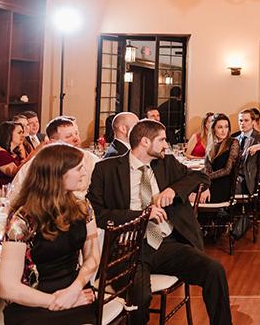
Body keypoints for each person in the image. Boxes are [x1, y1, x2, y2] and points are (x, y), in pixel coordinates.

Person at [87, 119, 230, 325]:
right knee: (140, 297)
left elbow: (201, 178)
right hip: (129, 248)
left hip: (166, 244)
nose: (166, 144)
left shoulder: (167, 164)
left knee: (214, 270)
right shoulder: (106, 169)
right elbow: (98, 214)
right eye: (162, 140)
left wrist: (174, 190)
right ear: (145, 141)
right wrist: (142, 215)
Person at [0, 143, 99, 324]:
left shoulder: (83, 207)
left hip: (76, 291)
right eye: (78, 169)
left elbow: (93, 256)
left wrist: (74, 289)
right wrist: (57, 301)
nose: (84, 173)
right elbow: (8, 287)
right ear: (57, 175)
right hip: (33, 300)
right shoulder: (21, 221)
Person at [10, 117, 99, 201]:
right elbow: (15, 194)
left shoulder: (91, 160)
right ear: (53, 142)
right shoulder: (36, 164)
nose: (76, 139)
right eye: (69, 136)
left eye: (76, 133)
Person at [204, 113, 240, 204]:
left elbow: (227, 170)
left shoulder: (233, 142)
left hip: (224, 184)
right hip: (211, 183)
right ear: (213, 129)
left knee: (196, 193)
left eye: (226, 127)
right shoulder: (211, 144)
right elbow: (207, 169)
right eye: (220, 127)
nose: (224, 131)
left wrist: (204, 178)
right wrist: (205, 185)